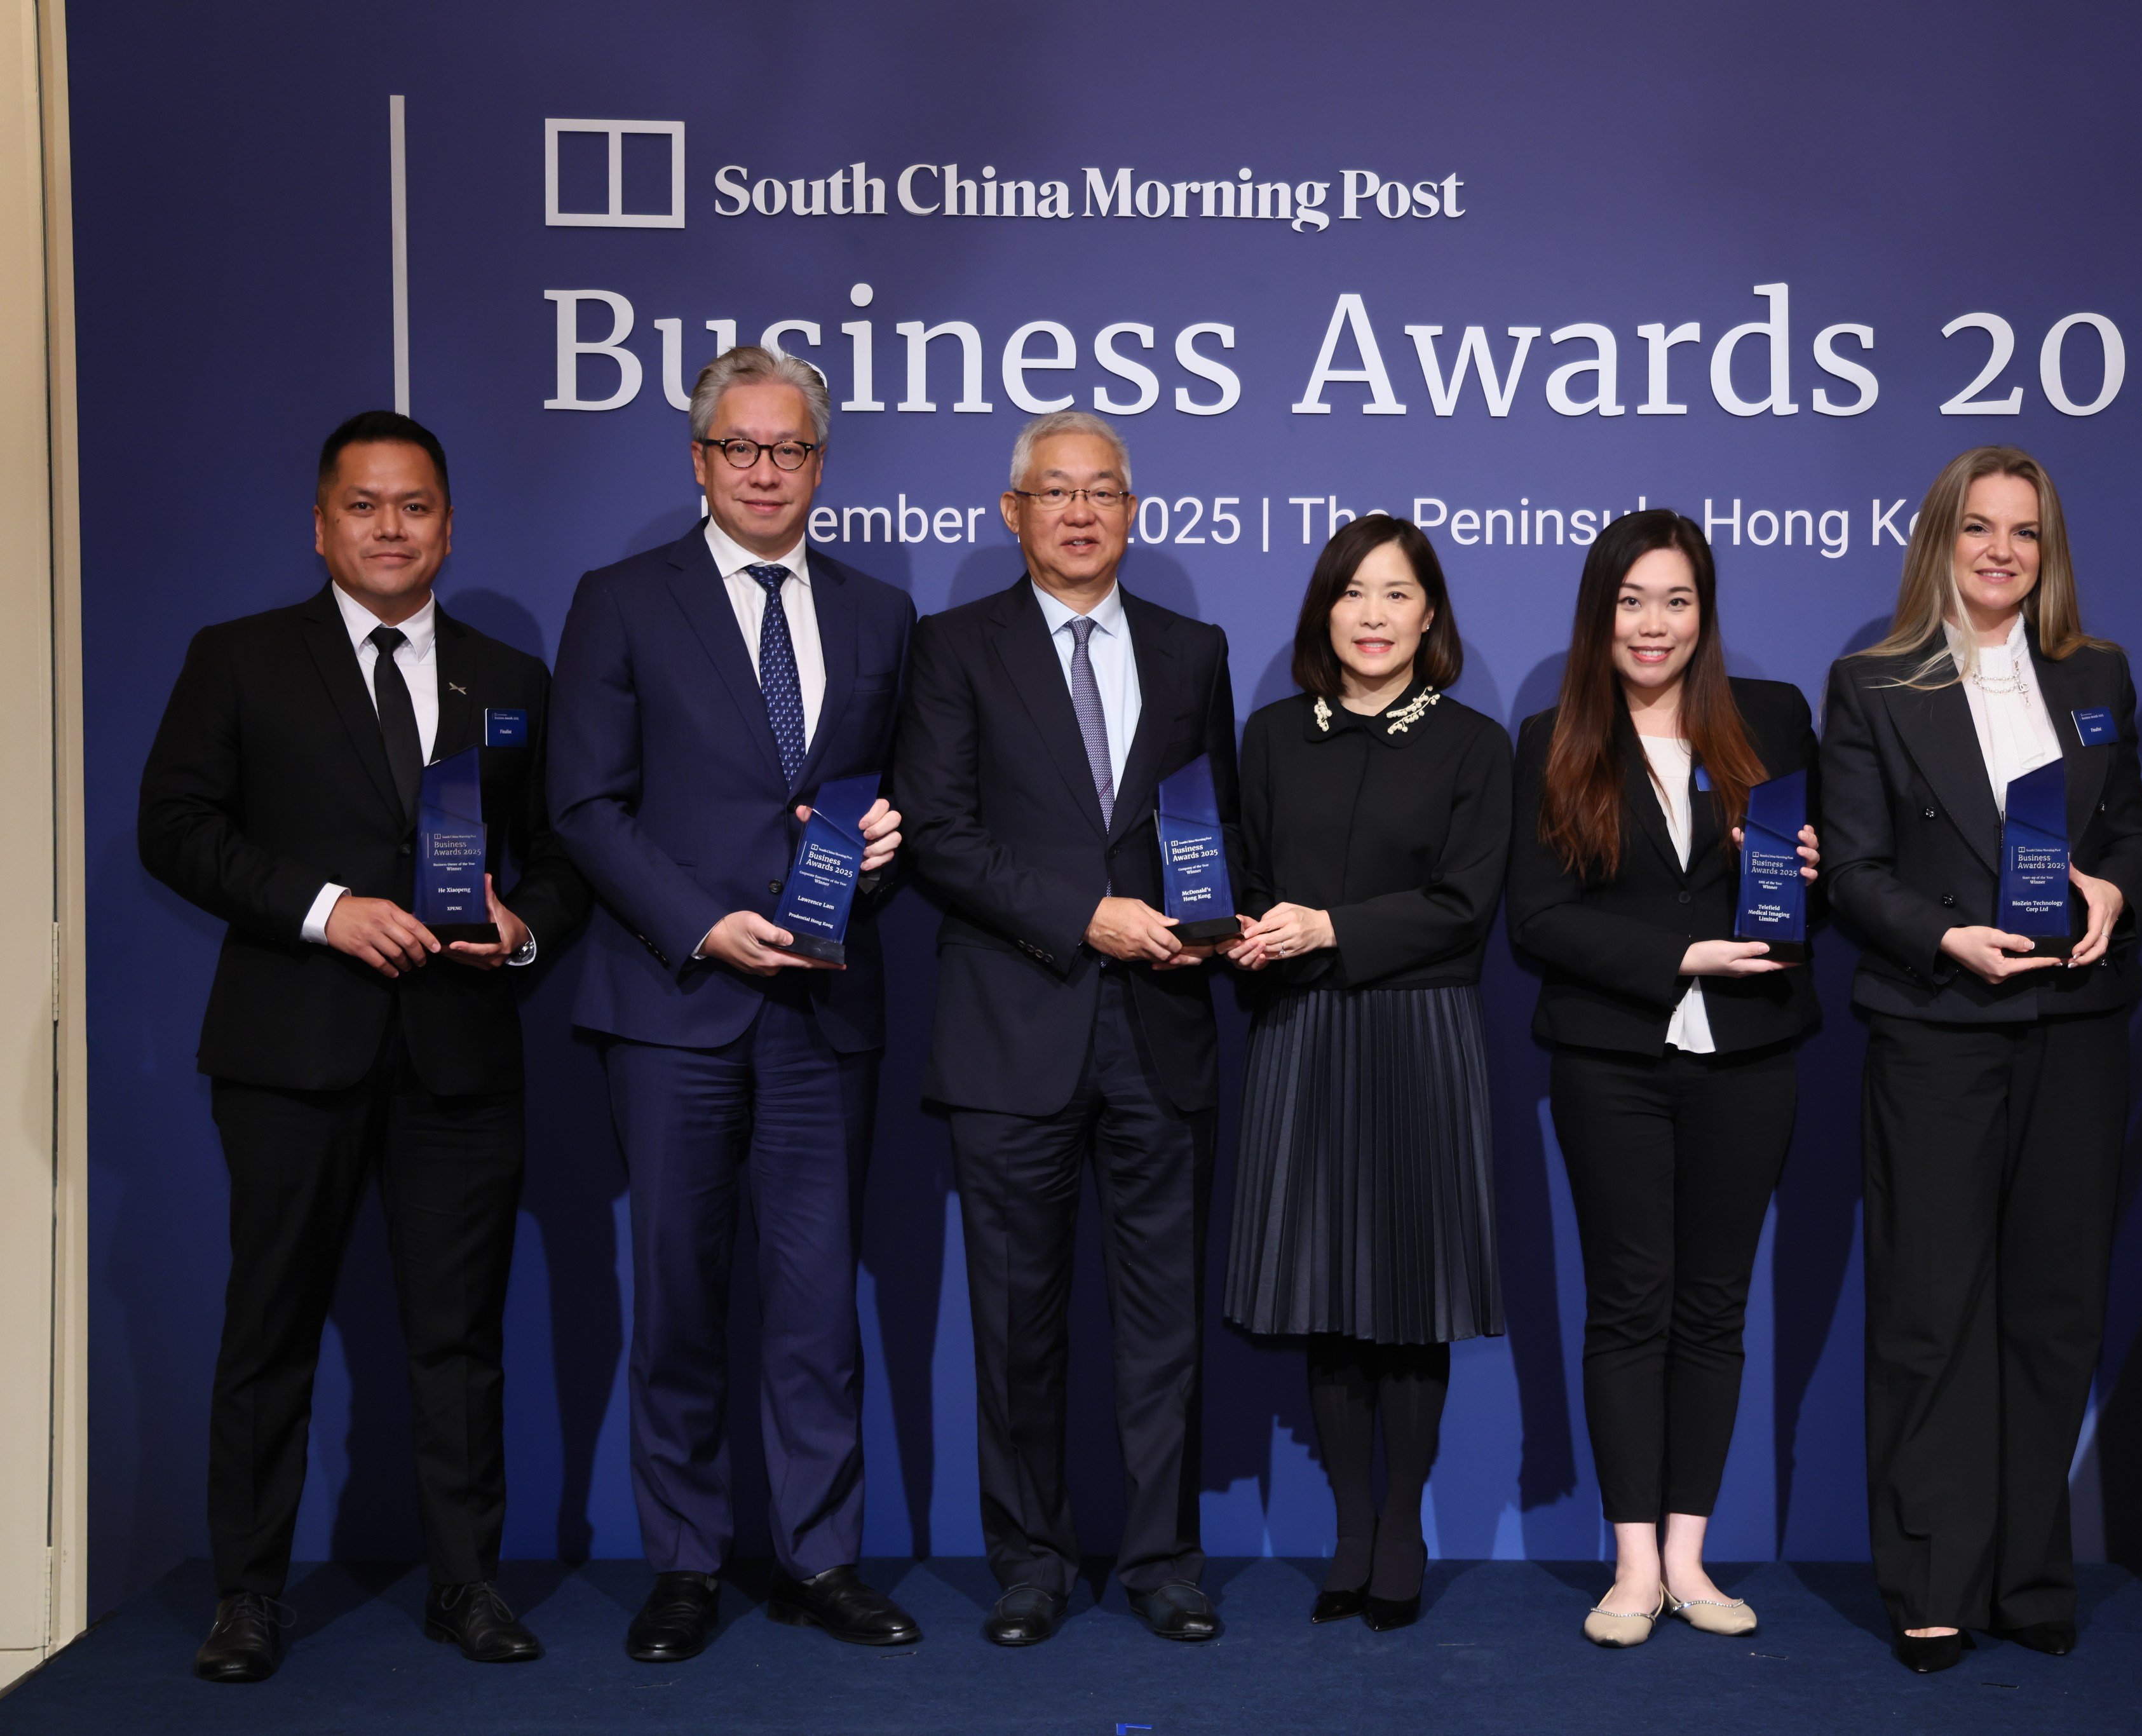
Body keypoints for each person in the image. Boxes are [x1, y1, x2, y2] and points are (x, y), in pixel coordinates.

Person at [138, 411, 593, 1682]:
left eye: (415, 507)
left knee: (459, 1337)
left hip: (459, 1058)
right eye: (364, 506)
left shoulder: (509, 680)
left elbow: (560, 864)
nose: (390, 529)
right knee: (269, 1328)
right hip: (292, 1049)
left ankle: (469, 1586)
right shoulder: (237, 660)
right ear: (321, 522)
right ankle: (247, 1596)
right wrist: (325, 909)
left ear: (449, 523)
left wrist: (516, 932)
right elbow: (172, 827)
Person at [548, 346, 918, 1662]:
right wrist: (701, 923)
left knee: (817, 1305)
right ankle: (687, 1563)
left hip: (823, 1007)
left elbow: (887, 793)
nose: (768, 471)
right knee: (681, 1294)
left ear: (823, 464)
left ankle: (820, 1556)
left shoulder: (880, 610)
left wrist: (886, 845)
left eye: (793, 450)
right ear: (698, 459)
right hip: (672, 1000)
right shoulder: (620, 599)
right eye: (742, 448)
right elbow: (582, 803)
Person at [889, 409, 1238, 1647]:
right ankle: (1030, 1559)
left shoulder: (1193, 650)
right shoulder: (951, 649)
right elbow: (935, 833)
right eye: (1054, 491)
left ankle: (1161, 1560)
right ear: (1011, 513)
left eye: (1101, 491)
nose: (1079, 512)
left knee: (1161, 1320)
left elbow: (1216, 825)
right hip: (1011, 1026)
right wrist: (1087, 916)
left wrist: (1225, 916)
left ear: (1133, 511)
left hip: (1161, 1029)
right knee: (1014, 1321)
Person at [1819, 446, 2142, 1674]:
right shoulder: (1871, 683)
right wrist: (1945, 936)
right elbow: (1853, 872)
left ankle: (2027, 1575)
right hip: (1938, 1028)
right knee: (1930, 1313)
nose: (2003, 550)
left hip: (2077, 1026)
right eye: (1980, 528)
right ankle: (1932, 1581)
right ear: (1940, 542)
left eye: (2025, 530)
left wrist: (2116, 891)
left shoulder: (2098, 672)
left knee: (2056, 1314)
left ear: (2049, 547)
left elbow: (2132, 830)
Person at [1507, 509, 1821, 1649]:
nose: (1655, 624)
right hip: (1612, 1056)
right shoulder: (1551, 736)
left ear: (1707, 611)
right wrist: (1675, 955)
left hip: (1752, 1052)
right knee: (1629, 1302)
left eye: (1677, 601)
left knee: (1714, 1305)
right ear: (1602, 613)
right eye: (1634, 601)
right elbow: (1534, 919)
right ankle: (1632, 1565)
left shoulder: (1774, 718)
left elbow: (1812, 902)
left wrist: (1810, 878)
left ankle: (1692, 1557)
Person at [1221, 515, 1512, 1632]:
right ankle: (1350, 1524)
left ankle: (1404, 1527)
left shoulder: (1475, 745)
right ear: (1323, 612)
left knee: (1410, 1303)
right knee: (1326, 1304)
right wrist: (1244, 934)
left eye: (1397, 595)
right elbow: (1243, 878)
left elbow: (1463, 908)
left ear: (1429, 615)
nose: (1375, 616)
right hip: (1302, 1036)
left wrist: (1328, 926)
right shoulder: (1272, 737)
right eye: (1353, 594)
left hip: (1419, 1036)